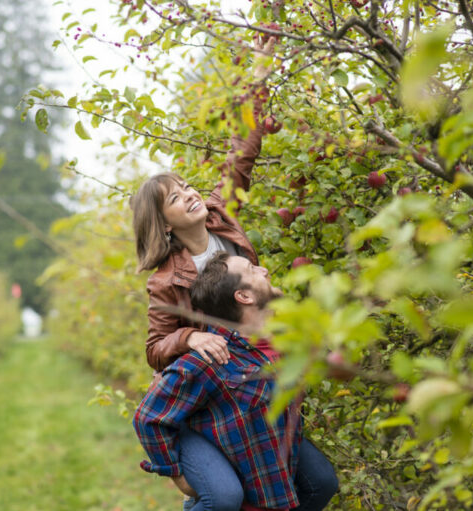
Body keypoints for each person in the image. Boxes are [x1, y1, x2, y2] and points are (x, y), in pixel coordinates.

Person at [131, 39, 276, 509]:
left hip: (244, 385)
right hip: (196, 401)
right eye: (175, 198)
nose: (191, 195)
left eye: (187, 186)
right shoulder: (165, 281)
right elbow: (155, 351)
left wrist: (258, 73)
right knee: (224, 497)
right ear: (165, 222)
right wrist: (190, 339)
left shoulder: (222, 217)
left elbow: (243, 149)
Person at [133, 252, 339, 511]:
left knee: (322, 482)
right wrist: (176, 474)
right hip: (227, 467)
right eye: (253, 269)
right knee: (223, 500)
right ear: (244, 296)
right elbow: (147, 417)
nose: (264, 270)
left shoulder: (287, 338)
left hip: (264, 459)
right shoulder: (212, 358)